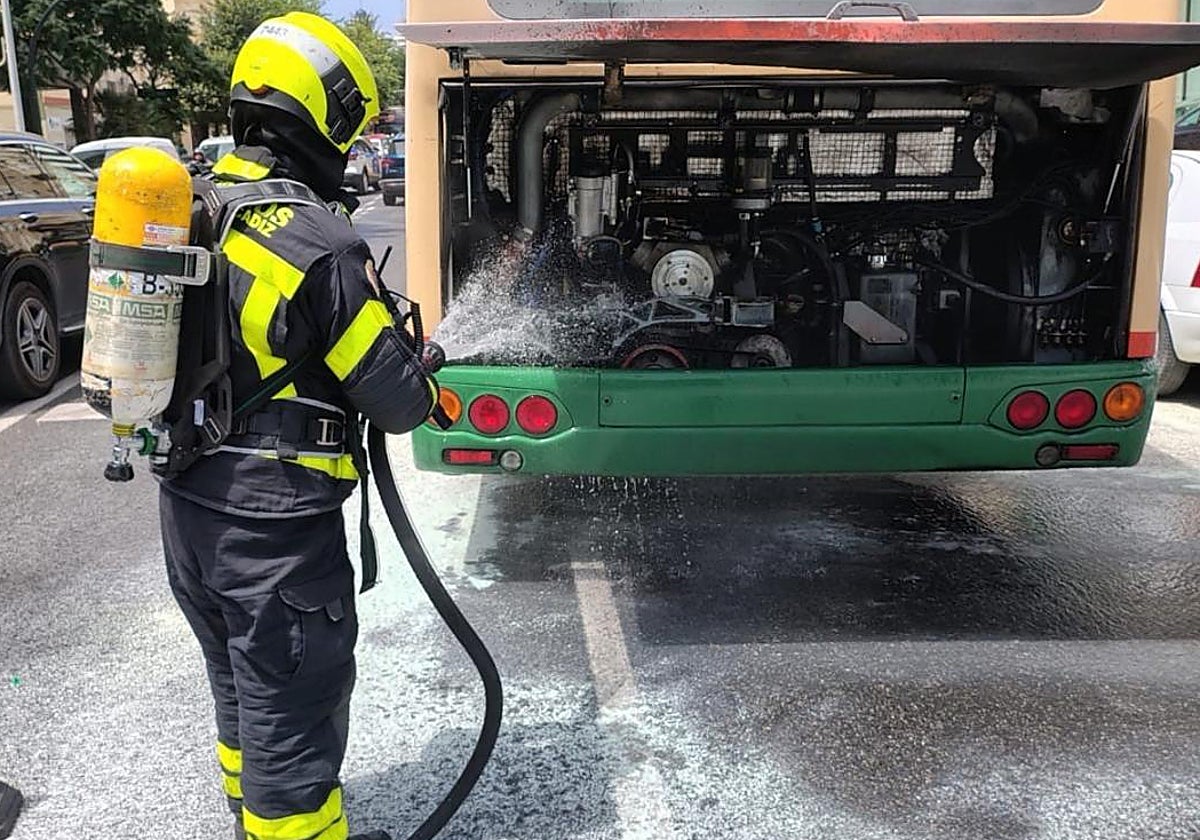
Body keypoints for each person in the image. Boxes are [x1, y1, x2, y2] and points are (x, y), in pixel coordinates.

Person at [157, 12, 437, 840]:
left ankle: (250, 827)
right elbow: (398, 402)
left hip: (190, 510)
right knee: (293, 725)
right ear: (320, 113)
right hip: (275, 534)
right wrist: (420, 368)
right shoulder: (315, 239)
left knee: (243, 698)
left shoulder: (200, 205)